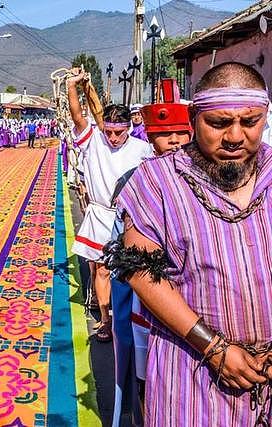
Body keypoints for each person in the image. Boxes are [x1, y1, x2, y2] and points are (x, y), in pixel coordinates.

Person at [109, 62, 272, 425]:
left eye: (250, 122)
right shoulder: (157, 181)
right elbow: (138, 271)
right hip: (193, 375)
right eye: (218, 123)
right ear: (194, 117)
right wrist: (214, 349)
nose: (234, 136)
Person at [107, 79, 193, 427]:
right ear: (150, 136)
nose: (173, 141)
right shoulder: (132, 180)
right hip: (144, 296)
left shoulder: (209, 177)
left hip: (196, 292)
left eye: (180, 132)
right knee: (147, 377)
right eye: (164, 133)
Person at [67, 68, 152, 342]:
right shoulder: (94, 140)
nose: (113, 138)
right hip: (101, 215)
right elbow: (78, 115)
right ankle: (105, 320)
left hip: (130, 218)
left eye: (119, 132)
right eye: (109, 132)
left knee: (131, 271)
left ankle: (132, 315)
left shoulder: (142, 149)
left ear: (128, 128)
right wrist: (72, 86)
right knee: (101, 269)